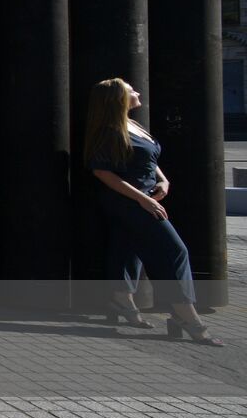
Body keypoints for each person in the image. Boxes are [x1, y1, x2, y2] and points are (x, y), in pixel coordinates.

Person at [84, 78, 223, 346]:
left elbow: (148, 158)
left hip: (142, 197)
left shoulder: (132, 125)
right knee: (175, 251)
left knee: (127, 249)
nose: (136, 91)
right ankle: (185, 314)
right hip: (128, 201)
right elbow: (102, 171)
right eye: (130, 90)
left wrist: (163, 179)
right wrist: (143, 200)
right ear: (118, 99)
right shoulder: (109, 130)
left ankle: (120, 300)